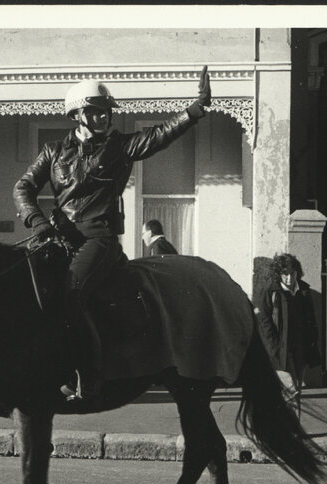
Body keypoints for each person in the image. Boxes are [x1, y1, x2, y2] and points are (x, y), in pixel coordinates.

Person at [14, 68, 211, 405]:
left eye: (106, 111)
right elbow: (23, 187)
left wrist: (195, 110)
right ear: (77, 114)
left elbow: (159, 135)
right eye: (95, 111)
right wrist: (37, 222)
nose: (103, 117)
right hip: (57, 237)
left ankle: (88, 376)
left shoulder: (119, 147)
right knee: (23, 288)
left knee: (72, 292)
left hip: (98, 237)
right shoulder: (53, 151)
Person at [256, 253, 321, 396]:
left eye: (292, 273)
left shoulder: (303, 290)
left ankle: (292, 403)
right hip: (281, 343)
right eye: (285, 274)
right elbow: (264, 319)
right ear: (279, 274)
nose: (289, 278)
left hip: (301, 343)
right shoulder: (271, 291)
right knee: (290, 386)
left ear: (297, 272)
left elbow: (310, 316)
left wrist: (312, 339)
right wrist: (273, 344)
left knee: (297, 384)